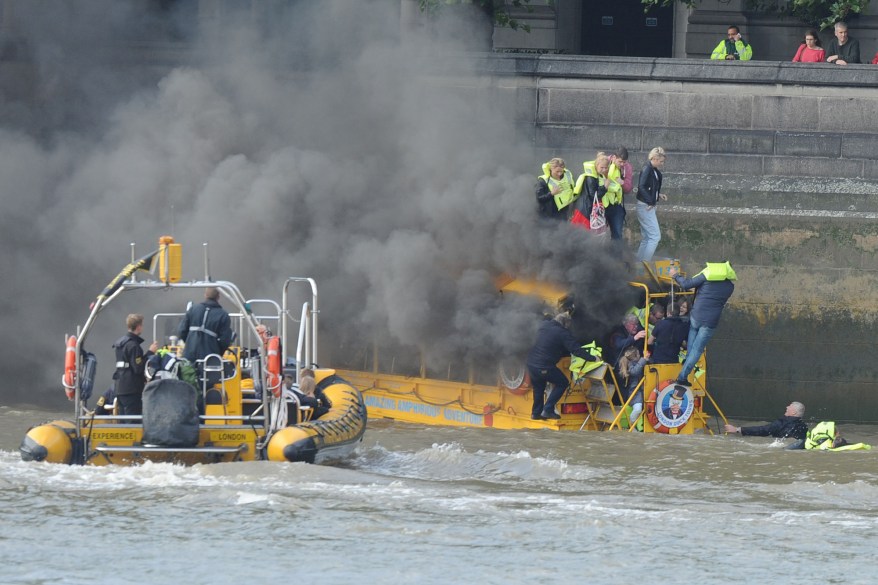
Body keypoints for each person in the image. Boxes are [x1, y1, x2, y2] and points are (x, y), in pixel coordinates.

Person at [669, 261, 736, 386]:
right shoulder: (730, 287)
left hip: (696, 316)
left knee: (692, 347)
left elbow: (686, 284)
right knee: (697, 350)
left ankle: (686, 367)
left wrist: (675, 275)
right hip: (710, 322)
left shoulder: (706, 276)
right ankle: (682, 377)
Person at [526, 312, 599, 420]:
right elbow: (576, 349)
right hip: (544, 366)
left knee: (538, 388)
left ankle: (536, 413)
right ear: (565, 323)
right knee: (562, 382)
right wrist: (593, 358)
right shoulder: (562, 333)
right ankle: (548, 409)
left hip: (531, 364)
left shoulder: (543, 325)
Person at [112, 313, 159, 419]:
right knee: (132, 422)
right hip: (131, 389)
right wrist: (150, 353)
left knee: (123, 421)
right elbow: (138, 368)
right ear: (138, 327)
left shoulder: (120, 344)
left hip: (120, 387)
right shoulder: (133, 346)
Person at [177, 286, 235, 365]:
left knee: (188, 376)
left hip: (189, 356)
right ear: (218, 296)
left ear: (205, 295)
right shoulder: (223, 315)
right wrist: (217, 352)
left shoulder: (193, 309)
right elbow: (225, 340)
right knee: (209, 377)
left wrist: (189, 344)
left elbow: (181, 331)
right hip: (210, 358)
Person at [575, 153, 622, 239]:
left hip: (590, 210)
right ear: (596, 166)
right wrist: (605, 187)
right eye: (602, 167)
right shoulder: (591, 178)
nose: (604, 170)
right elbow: (594, 196)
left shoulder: (597, 175)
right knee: (584, 238)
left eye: (606, 167)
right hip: (586, 211)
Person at [724, 402, 808, 448]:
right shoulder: (804, 426)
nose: (786, 407)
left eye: (789, 406)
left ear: (793, 412)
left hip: (779, 447)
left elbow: (764, 430)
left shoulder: (783, 422)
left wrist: (738, 429)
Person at [636, 147, 667, 262]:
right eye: (661, 161)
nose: (662, 163)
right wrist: (650, 201)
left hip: (646, 205)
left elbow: (649, 187)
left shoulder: (652, 169)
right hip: (646, 206)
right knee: (655, 236)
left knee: (646, 238)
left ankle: (638, 264)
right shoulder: (647, 169)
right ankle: (644, 264)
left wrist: (658, 194)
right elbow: (641, 187)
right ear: (654, 158)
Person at [535, 158, 577, 222]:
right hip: (548, 216)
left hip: (564, 214)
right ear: (551, 169)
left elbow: (573, 191)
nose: (559, 174)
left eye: (561, 171)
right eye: (557, 171)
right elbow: (539, 199)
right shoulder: (542, 181)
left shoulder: (567, 176)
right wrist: (551, 194)